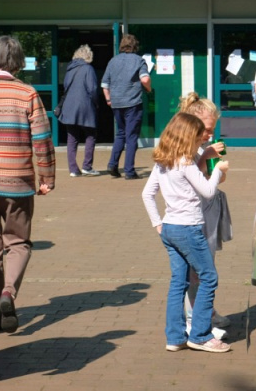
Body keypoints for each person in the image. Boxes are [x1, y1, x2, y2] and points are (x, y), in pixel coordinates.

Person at [0, 35, 56, 333]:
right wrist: (47, 178)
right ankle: (9, 292)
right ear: (18, 61)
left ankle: (0, 314)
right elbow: (42, 140)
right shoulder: (28, 94)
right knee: (18, 243)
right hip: (17, 181)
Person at [141, 113, 231, 353]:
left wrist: (158, 224)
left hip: (170, 228)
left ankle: (175, 337)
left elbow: (147, 194)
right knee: (208, 277)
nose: (200, 142)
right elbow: (208, 191)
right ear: (188, 137)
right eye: (198, 138)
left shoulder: (163, 161)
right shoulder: (185, 162)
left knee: (178, 282)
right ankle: (200, 335)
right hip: (188, 228)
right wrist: (219, 171)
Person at [177, 93, 233, 333]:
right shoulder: (185, 148)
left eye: (213, 129)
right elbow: (195, 182)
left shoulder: (197, 145)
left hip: (204, 211)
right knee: (198, 269)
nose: (210, 135)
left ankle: (205, 311)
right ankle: (194, 319)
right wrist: (209, 161)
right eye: (207, 130)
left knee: (205, 266)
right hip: (193, 215)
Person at [101, 34, 151, 179]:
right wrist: (148, 88)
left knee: (121, 134)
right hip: (133, 103)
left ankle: (112, 164)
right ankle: (129, 171)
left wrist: (109, 100)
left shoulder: (113, 61)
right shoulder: (139, 60)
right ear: (135, 46)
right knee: (131, 136)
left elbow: (105, 84)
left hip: (116, 103)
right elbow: (145, 78)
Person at [57, 44, 100, 177]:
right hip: (85, 106)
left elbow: (65, 87)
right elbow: (92, 89)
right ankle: (87, 166)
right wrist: (96, 103)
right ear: (88, 55)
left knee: (72, 138)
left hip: (69, 107)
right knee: (91, 135)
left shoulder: (69, 69)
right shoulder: (88, 69)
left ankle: (73, 169)